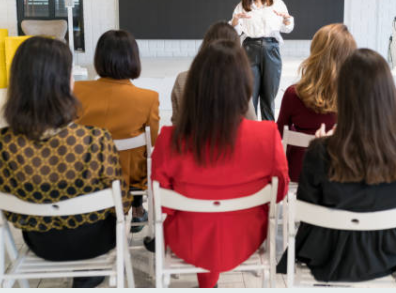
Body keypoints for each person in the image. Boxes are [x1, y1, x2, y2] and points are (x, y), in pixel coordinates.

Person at [277, 49, 396, 282]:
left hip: (329, 259)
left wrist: (320, 146)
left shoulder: (321, 152)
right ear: (389, 95)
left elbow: (307, 212)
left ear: (343, 98)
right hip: (389, 257)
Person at [146, 40, 289, 288]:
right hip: (245, 236)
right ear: (244, 84)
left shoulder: (169, 138)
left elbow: (161, 204)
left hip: (188, 239)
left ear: (195, 87)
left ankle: (208, 283)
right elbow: (280, 192)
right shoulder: (267, 135)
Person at [0, 36, 131, 288]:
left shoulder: (4, 145)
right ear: (64, 82)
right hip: (97, 241)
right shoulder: (95, 140)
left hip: (42, 244)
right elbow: (121, 203)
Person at [73, 30, 159, 232]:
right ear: (133, 59)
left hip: (86, 173)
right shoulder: (148, 98)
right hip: (129, 179)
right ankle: (137, 209)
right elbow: (153, 144)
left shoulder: (75, 90)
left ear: (98, 58)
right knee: (140, 158)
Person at [276, 23, 356, 181]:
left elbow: (278, 134)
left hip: (299, 174)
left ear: (315, 53)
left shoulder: (294, 94)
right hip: (341, 175)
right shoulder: (356, 96)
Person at [230, 0, 294, 120]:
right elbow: (235, 30)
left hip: (271, 50)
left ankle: (268, 136)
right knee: (250, 98)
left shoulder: (277, 3)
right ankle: (250, 137)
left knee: (268, 97)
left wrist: (286, 19)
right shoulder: (242, 6)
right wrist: (234, 21)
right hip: (249, 51)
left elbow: (288, 28)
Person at [170, 21, 256, 125]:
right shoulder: (239, 80)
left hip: (193, 140)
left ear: (206, 44)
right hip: (231, 139)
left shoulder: (182, 79)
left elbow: (177, 123)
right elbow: (251, 122)